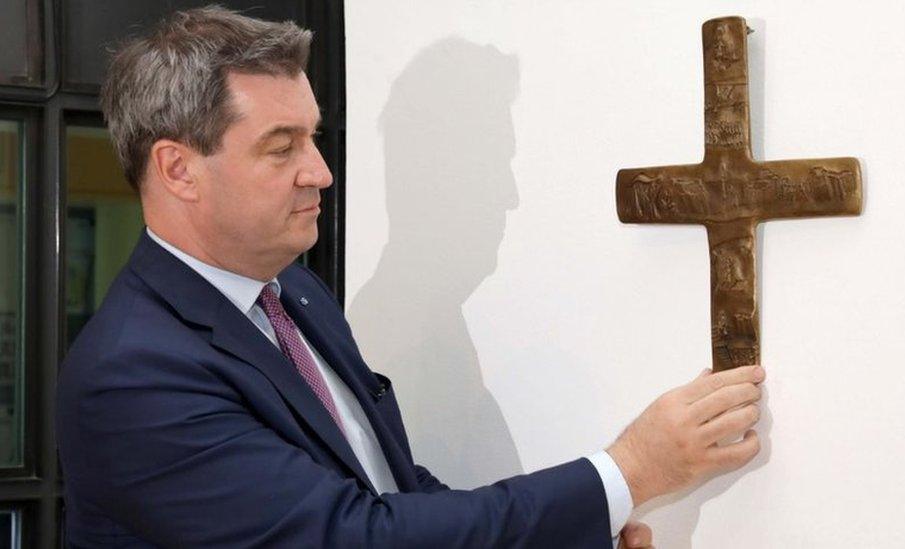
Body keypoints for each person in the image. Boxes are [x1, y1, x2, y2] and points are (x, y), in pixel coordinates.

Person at [55, 6, 764, 548]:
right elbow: (356, 535)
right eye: (283, 147)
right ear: (178, 170)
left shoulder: (295, 295)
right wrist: (629, 470)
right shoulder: (132, 374)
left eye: (316, 138)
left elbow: (394, 487)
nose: (321, 172)